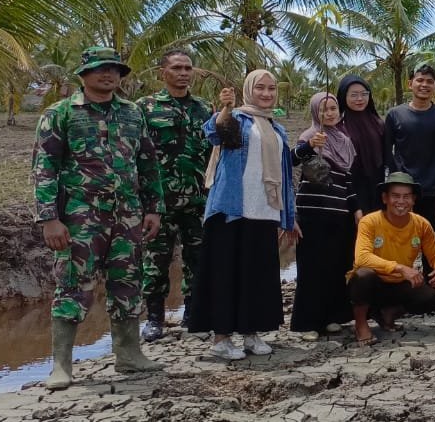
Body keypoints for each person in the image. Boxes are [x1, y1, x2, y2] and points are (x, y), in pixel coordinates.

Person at [33, 47, 164, 390]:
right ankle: (62, 365)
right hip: (81, 215)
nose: (108, 75)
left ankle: (129, 355)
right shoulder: (60, 113)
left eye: (114, 70)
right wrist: (49, 218)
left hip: (127, 214)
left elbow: (148, 163)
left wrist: (153, 209)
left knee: (128, 282)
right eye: (100, 69)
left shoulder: (133, 114)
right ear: (83, 73)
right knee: (74, 284)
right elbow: (44, 168)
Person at [191, 70, 300, 360]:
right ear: (249, 90)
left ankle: (252, 333)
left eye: (271, 88)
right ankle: (222, 339)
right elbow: (214, 134)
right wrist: (225, 107)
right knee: (226, 274)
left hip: (264, 212)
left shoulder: (276, 128)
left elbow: (285, 172)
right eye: (260, 88)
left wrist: (288, 216)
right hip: (231, 210)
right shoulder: (237, 118)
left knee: (258, 276)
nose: (266, 93)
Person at [136, 49, 213, 340]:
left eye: (188, 68)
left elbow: (211, 152)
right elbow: (138, 154)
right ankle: (154, 319)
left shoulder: (203, 108)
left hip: (197, 199)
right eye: (177, 68)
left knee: (198, 260)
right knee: (155, 262)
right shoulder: (145, 107)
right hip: (159, 201)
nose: (183, 73)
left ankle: (192, 315)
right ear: (162, 73)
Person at [290, 92, 362, 340]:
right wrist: (309, 147)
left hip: (339, 214)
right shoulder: (310, 137)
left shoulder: (345, 140)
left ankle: (332, 316)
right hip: (313, 214)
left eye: (333, 108)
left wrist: (357, 209)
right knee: (312, 269)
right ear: (315, 113)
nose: (329, 113)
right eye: (324, 110)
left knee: (336, 267)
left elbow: (348, 180)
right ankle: (307, 323)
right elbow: (293, 159)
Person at [349, 172, 435, 343]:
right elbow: (362, 258)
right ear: (385, 198)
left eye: (406, 196)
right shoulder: (369, 222)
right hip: (374, 283)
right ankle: (361, 323)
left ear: (413, 200)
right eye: (395, 196)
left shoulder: (421, 224)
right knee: (363, 275)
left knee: (431, 297)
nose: (401, 202)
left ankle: (389, 312)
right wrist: (400, 268)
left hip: (399, 284)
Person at [384, 64, 435, 233]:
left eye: (430, 81)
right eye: (419, 80)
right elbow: (386, 149)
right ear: (410, 83)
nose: (424, 85)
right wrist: (394, 177)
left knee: (429, 234)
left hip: (430, 187)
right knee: (398, 234)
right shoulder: (395, 114)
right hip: (401, 186)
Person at [336, 74, 387, 214]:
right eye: (354, 95)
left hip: (378, 188)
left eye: (364, 94)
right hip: (351, 189)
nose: (360, 99)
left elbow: (387, 156)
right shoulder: (338, 127)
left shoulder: (378, 124)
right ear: (343, 97)